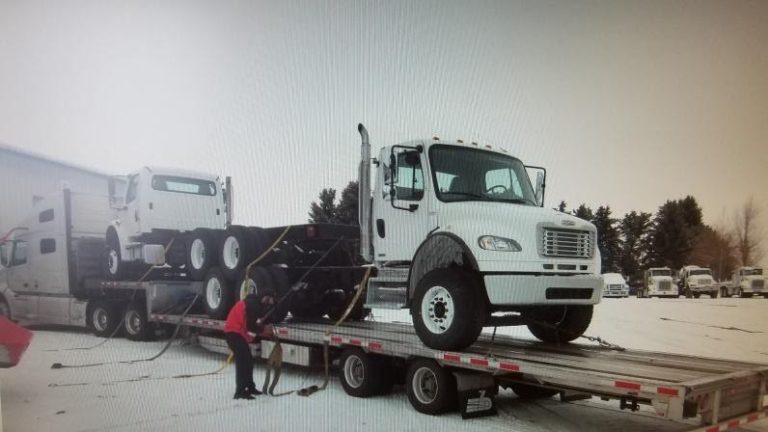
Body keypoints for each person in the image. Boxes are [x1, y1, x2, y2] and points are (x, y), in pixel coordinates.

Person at [224, 290, 276, 400]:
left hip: (237, 334)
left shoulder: (255, 304)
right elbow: (251, 326)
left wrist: (268, 323)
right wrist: (264, 330)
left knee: (248, 361)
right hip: (234, 333)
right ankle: (240, 392)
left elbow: (262, 317)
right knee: (243, 363)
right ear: (265, 297)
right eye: (269, 301)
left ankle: (250, 387)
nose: (269, 304)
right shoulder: (253, 304)